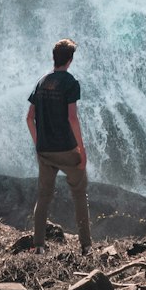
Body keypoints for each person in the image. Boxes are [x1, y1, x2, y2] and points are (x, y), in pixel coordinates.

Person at [26, 37, 92, 253]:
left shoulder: (42, 81)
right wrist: (81, 149)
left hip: (45, 150)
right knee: (79, 194)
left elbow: (29, 118)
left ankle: (39, 246)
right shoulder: (71, 83)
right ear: (70, 60)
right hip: (66, 149)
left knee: (43, 196)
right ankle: (86, 246)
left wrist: (39, 143)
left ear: (54, 58)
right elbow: (72, 118)